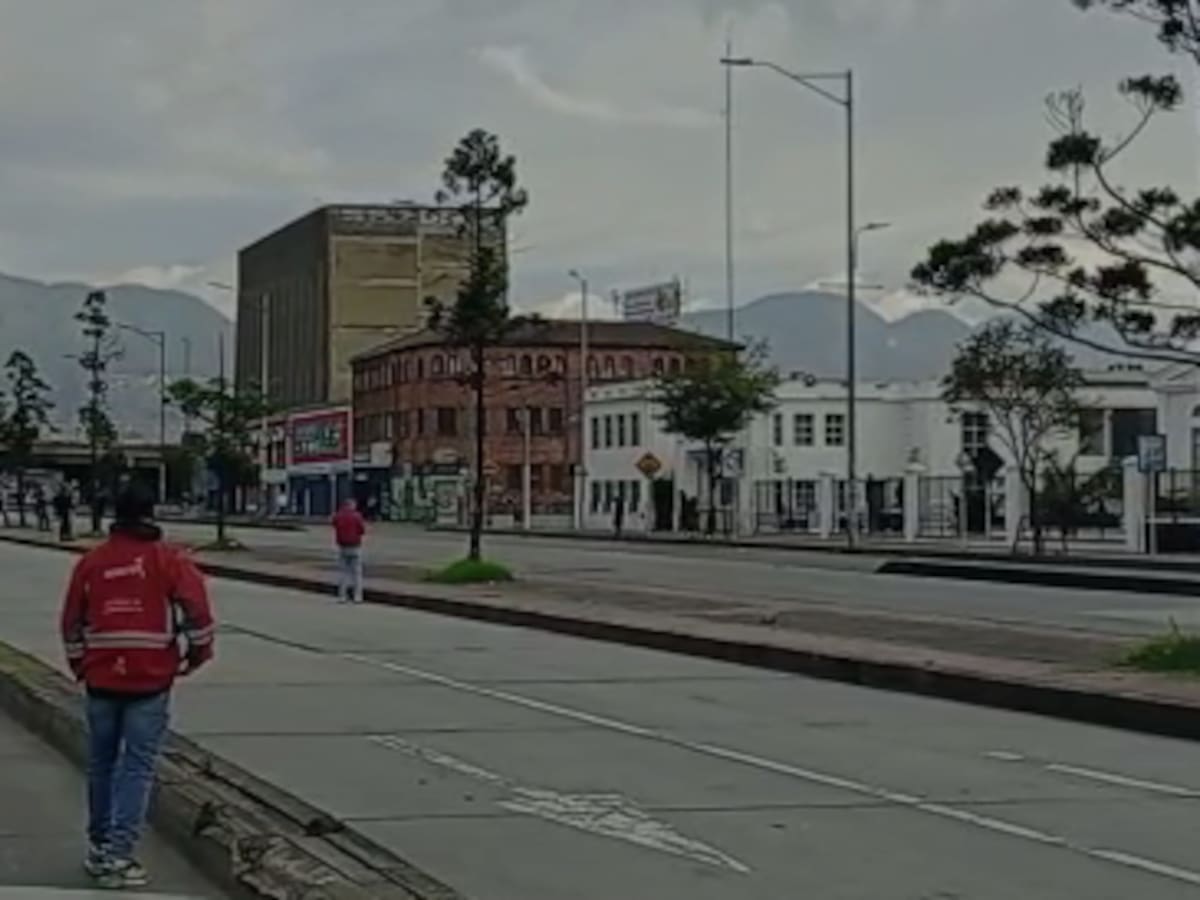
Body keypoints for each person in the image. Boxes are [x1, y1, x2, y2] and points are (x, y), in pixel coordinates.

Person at [59, 481, 214, 889]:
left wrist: (81, 663)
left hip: (101, 679)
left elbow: (71, 622)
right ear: (152, 512)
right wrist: (195, 656)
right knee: (137, 768)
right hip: (150, 679)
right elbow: (198, 614)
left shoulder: (91, 563)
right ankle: (118, 856)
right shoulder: (169, 560)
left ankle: (99, 847)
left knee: (101, 765)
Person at [331, 498, 366, 603]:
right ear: (352, 505)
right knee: (357, 573)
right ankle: (357, 596)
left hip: (342, 546)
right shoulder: (357, 516)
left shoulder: (338, 515)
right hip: (355, 546)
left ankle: (342, 596)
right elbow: (362, 530)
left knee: (343, 572)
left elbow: (334, 524)